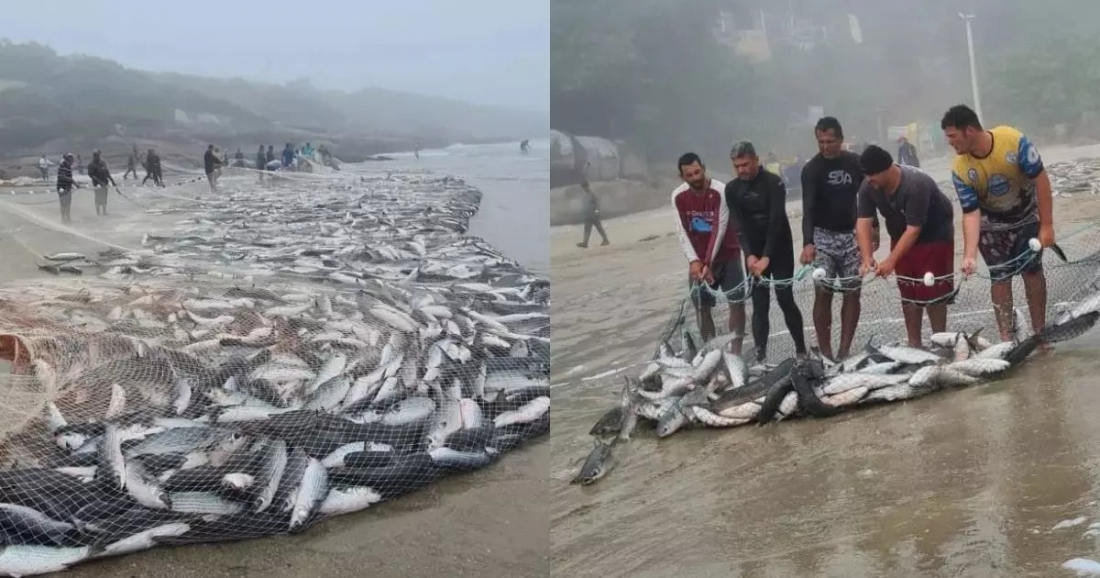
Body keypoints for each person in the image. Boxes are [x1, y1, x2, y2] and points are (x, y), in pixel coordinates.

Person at [942, 104, 1054, 345]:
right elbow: (970, 214)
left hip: (1026, 217)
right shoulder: (960, 168)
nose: (949, 142)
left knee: (1032, 271)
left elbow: (1041, 180)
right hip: (991, 226)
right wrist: (969, 255)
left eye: (952, 136)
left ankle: (1040, 332)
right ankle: (1006, 338)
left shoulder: (1013, 141)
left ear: (969, 130)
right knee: (1000, 277)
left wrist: (1047, 225)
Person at [856, 146, 955, 349]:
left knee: (932, 289)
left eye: (872, 174)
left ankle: (940, 341)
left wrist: (890, 262)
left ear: (887, 168)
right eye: (866, 175)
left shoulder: (915, 185)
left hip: (934, 233)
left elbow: (914, 230)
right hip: (899, 232)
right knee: (908, 290)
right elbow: (863, 222)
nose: (869, 179)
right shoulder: (868, 186)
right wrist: (866, 256)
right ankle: (914, 343)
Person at [799, 117, 876, 361]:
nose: (825, 146)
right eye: (821, 141)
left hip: (852, 235)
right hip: (823, 236)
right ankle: (825, 352)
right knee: (823, 292)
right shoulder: (811, 170)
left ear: (841, 140)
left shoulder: (855, 163)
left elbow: (869, 196)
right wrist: (807, 243)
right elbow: (808, 209)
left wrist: (873, 227)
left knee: (852, 291)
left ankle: (844, 350)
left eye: (830, 141)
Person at [725, 141, 808, 363]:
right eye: (737, 166)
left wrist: (767, 256)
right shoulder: (732, 189)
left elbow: (776, 220)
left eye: (745, 164)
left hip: (779, 249)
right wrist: (750, 255)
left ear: (756, 160)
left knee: (785, 298)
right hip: (753, 251)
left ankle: (801, 350)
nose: (741, 170)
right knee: (759, 304)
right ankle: (760, 357)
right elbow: (737, 224)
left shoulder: (774, 182)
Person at [673, 153, 746, 350]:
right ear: (682, 177)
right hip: (698, 261)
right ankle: (712, 350)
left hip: (727, 255)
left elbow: (719, 228)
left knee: (736, 303)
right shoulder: (678, 196)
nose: (695, 178)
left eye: (697, 172)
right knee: (701, 306)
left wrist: (708, 263)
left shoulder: (720, 190)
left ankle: (735, 352)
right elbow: (682, 231)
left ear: (704, 168)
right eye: (689, 175)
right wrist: (694, 262)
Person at [576, 181, 610, 249]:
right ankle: (585, 242)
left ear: (588, 186)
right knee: (587, 229)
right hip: (588, 216)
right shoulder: (585, 195)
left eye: (585, 187)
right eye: (583, 187)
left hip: (594, 215)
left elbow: (597, 203)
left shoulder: (592, 194)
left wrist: (597, 210)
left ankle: (605, 240)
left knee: (599, 228)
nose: (585, 189)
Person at [87, 150, 116, 216]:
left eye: (99, 155)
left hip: (105, 183)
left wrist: (112, 181)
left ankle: (104, 211)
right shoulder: (91, 165)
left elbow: (107, 173)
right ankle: (98, 212)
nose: (98, 156)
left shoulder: (103, 163)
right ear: (94, 156)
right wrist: (100, 182)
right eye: (96, 155)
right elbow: (91, 175)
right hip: (97, 184)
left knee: (104, 197)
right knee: (98, 198)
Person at [56, 153, 77, 223]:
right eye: (72, 160)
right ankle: (63, 219)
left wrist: (74, 184)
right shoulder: (62, 166)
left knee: (68, 204)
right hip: (62, 187)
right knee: (63, 204)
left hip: (68, 187)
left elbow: (69, 178)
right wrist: (73, 182)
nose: (72, 161)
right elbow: (63, 176)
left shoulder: (68, 167)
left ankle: (68, 218)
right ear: (68, 159)